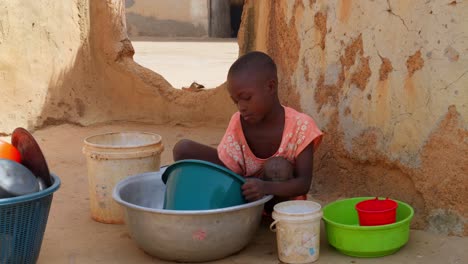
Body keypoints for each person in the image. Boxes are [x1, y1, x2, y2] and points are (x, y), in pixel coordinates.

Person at [173, 51, 322, 210]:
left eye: (246, 98)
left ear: (270, 87)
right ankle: (217, 207)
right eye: (236, 101)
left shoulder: (301, 126)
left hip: (279, 201)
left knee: (277, 167)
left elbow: (303, 184)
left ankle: (267, 218)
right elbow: (228, 168)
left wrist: (264, 187)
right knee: (183, 149)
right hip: (246, 194)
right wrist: (247, 185)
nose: (241, 107)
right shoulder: (238, 121)